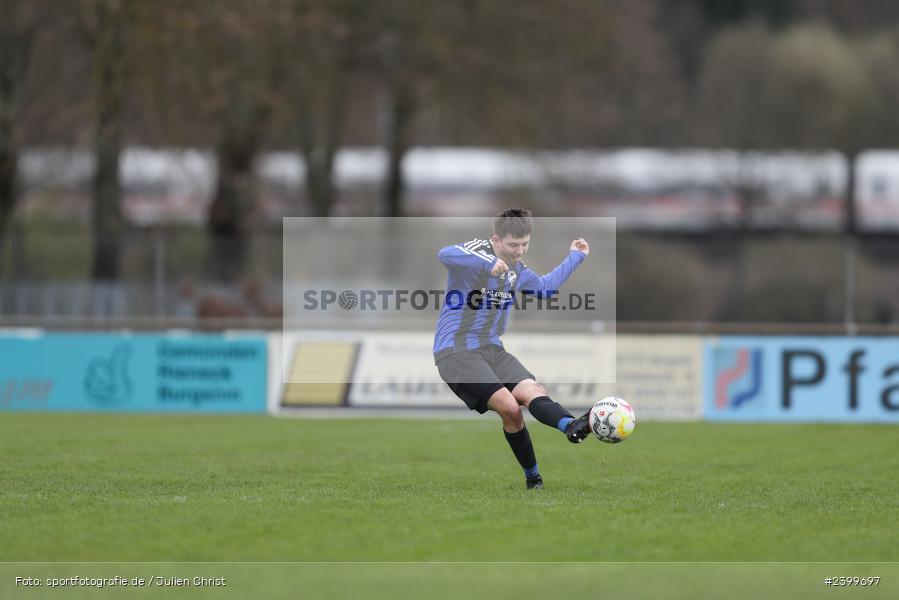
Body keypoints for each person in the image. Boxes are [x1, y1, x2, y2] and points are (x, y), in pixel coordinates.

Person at [433, 208, 592, 490]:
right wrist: (487, 264)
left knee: (533, 391)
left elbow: (544, 288)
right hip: (456, 352)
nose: (520, 251)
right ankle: (534, 478)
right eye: (513, 245)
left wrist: (575, 257)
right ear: (496, 239)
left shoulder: (517, 270)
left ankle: (570, 425)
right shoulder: (477, 252)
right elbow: (445, 253)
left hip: (492, 349)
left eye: (525, 244)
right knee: (510, 408)